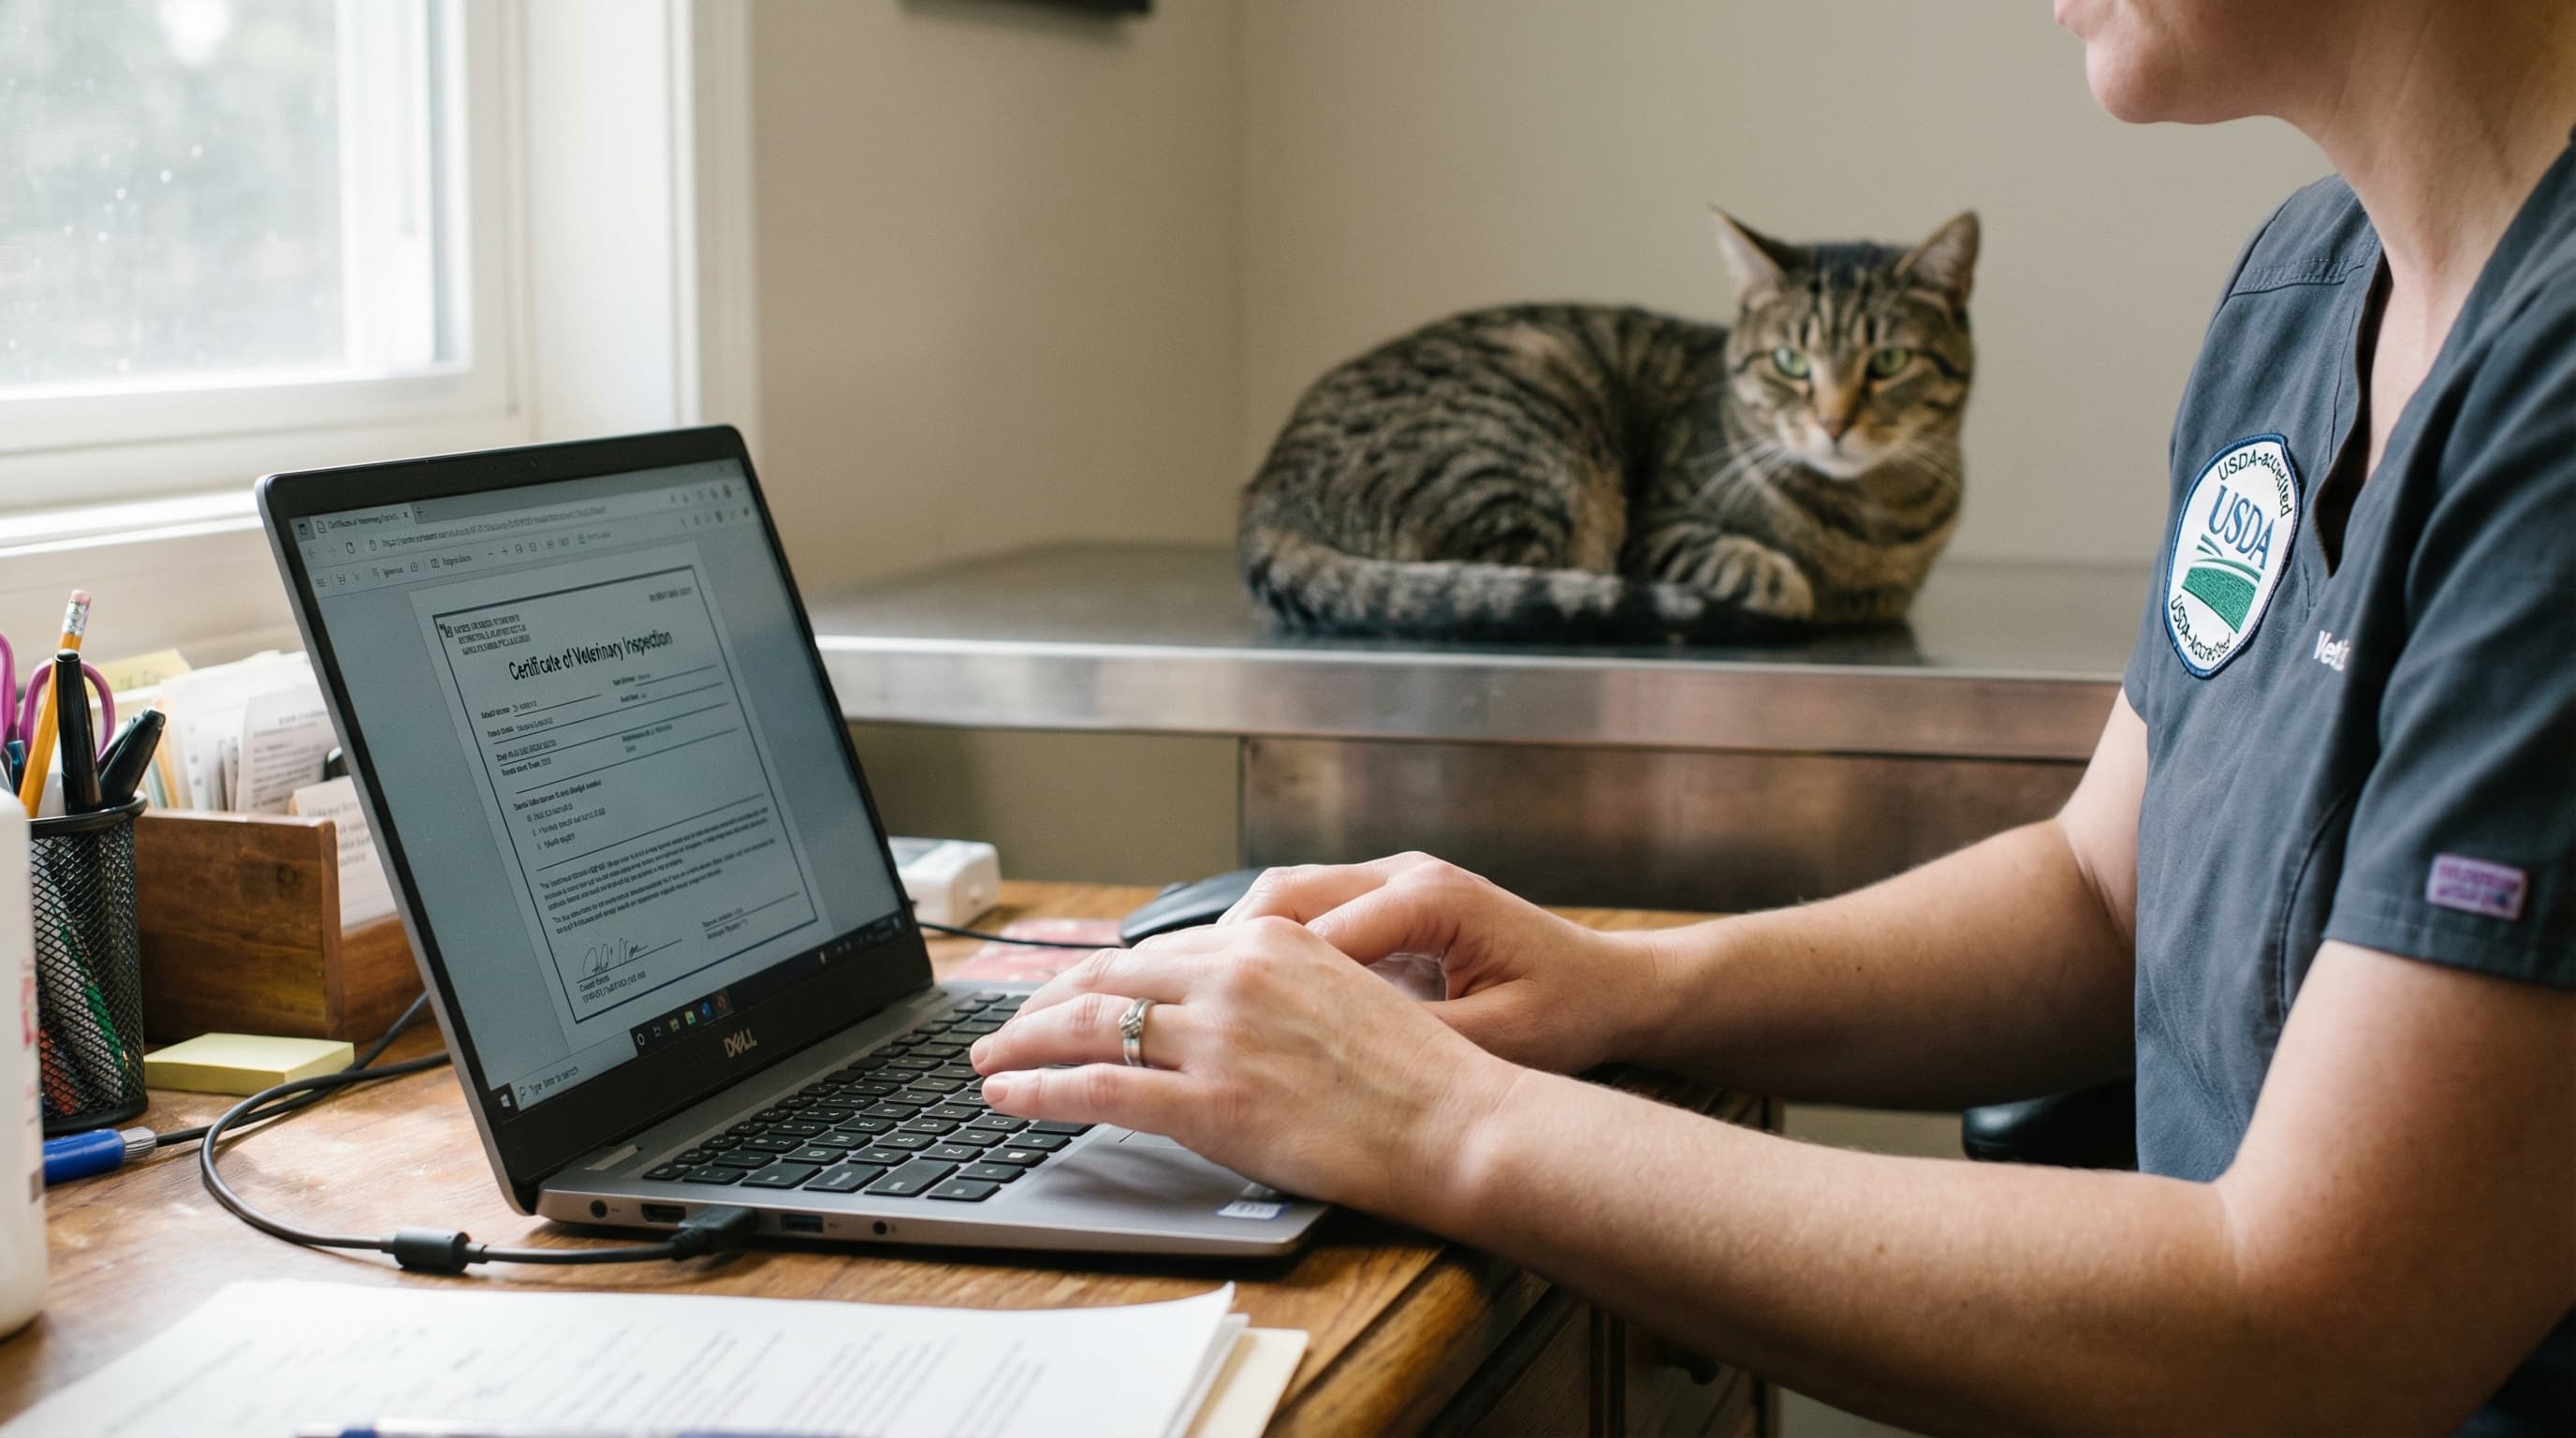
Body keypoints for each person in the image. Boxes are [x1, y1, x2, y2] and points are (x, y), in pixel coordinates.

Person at [973, 1, 2576, 1430]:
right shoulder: (2304, 292)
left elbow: (2318, 1325)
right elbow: (2108, 892)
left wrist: (1441, 1116)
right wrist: (1620, 983)